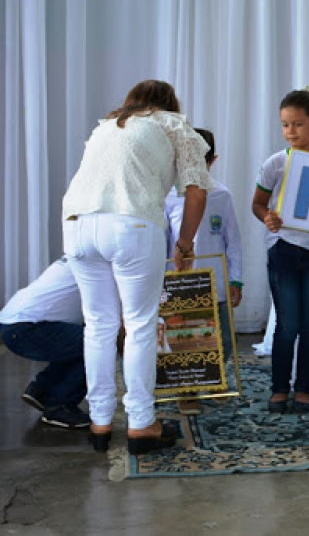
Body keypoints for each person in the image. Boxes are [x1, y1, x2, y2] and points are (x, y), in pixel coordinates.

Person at [62, 79, 211, 454]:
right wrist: (184, 242)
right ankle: (142, 424)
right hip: (131, 224)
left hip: (78, 225)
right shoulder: (175, 124)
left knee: (98, 325)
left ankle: (99, 422)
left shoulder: (106, 126)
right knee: (141, 325)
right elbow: (196, 190)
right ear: (169, 104)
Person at [252, 87, 309, 415]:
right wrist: (269, 218)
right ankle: (280, 387)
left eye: (298, 124)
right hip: (284, 252)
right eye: (285, 125)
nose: (291, 131)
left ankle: (303, 387)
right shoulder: (275, 164)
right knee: (287, 323)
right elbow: (258, 204)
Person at [165, 128, 243, 415]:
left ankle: (215, 378)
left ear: (214, 160)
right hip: (182, 282)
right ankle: (187, 390)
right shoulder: (169, 197)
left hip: (217, 282)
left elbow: (232, 240)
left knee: (221, 337)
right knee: (185, 338)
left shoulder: (222, 196)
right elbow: (165, 240)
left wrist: (236, 279)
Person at [0, 257, 89, 428]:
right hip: (26, 328)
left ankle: (43, 391)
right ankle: (60, 406)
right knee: (98, 344)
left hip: (13, 324)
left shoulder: (78, 256)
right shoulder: (97, 262)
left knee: (80, 341)